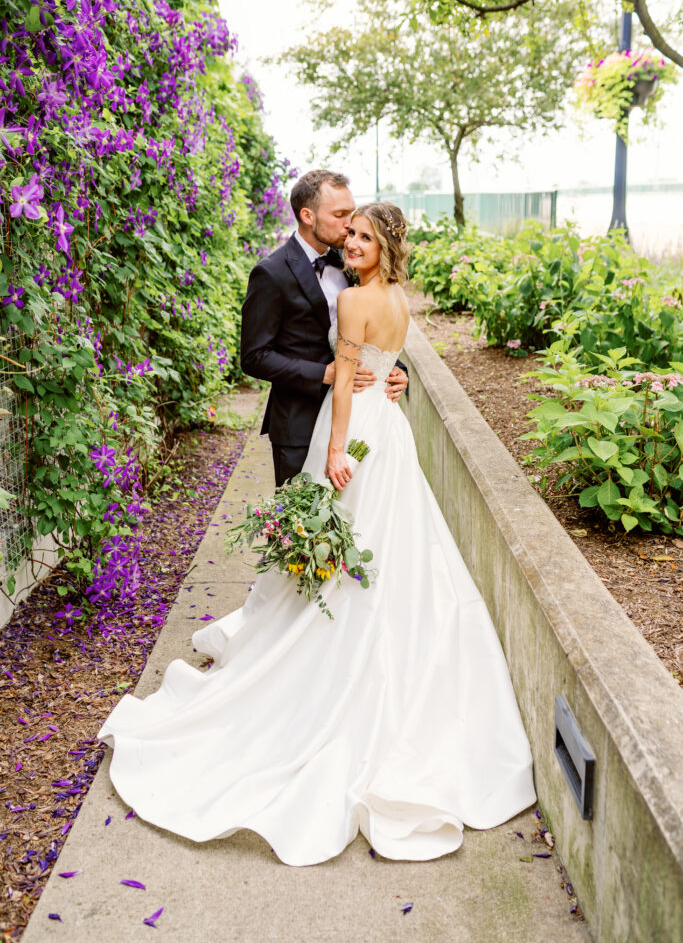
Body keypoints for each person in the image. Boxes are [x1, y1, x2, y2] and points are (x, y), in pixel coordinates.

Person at [98, 202, 535, 866]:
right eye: (348, 231)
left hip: (355, 427)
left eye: (363, 235)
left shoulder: (359, 301)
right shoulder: (397, 298)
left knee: (349, 536)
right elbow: (384, 362)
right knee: (382, 542)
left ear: (384, 244)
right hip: (387, 432)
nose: (351, 243)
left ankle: (325, 651)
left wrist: (336, 454)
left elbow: (347, 387)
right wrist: (383, 388)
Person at [240, 169, 409, 486]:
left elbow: (363, 333)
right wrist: (324, 374)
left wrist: (394, 369)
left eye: (352, 212)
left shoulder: (352, 263)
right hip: (299, 427)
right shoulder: (270, 273)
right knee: (298, 529)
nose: (350, 224)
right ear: (307, 215)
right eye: (340, 215)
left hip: (359, 421)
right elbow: (254, 356)